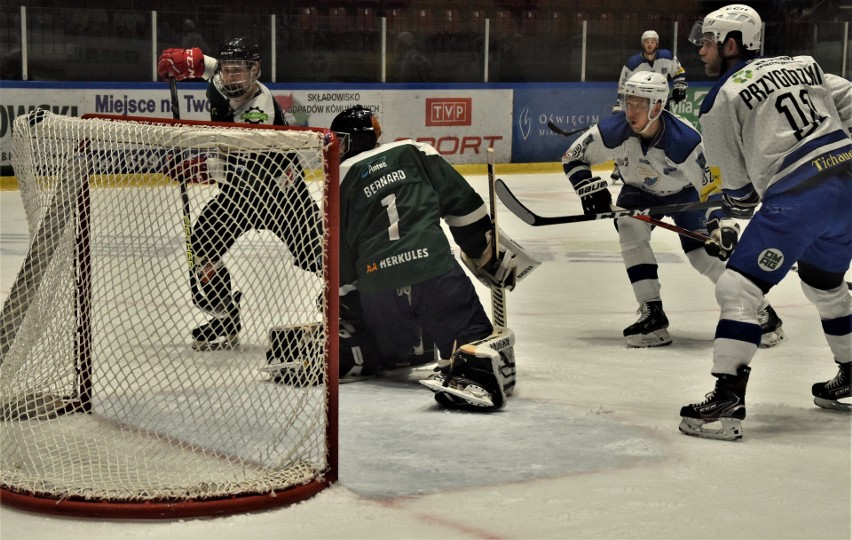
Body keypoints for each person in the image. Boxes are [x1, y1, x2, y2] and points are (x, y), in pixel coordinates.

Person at [679, 4, 852, 441]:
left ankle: (726, 398)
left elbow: (737, 193)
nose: (702, 50)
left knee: (738, 287)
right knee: (823, 284)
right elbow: (846, 100)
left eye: (708, 41)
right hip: (848, 184)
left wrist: (725, 218)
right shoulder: (806, 65)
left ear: (732, 44)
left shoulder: (721, 99)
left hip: (799, 198)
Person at [331, 105, 536, 410]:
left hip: (379, 291)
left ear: (350, 141)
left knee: (386, 342)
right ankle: (471, 369)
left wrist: (348, 310)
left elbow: (340, 260)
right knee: (475, 338)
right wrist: (485, 251)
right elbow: (463, 206)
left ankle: (361, 351)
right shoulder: (414, 151)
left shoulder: (339, 179)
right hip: (434, 274)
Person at [562, 71, 785, 349]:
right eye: (628, 102)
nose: (631, 110)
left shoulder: (684, 140)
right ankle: (652, 313)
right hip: (639, 192)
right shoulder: (612, 130)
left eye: (639, 104)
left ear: (657, 106)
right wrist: (585, 184)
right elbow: (573, 157)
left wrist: (718, 224)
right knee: (631, 228)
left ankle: (762, 310)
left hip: (686, 196)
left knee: (704, 257)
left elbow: (712, 187)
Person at [157, 37, 323, 351]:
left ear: (255, 71)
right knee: (204, 242)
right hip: (238, 198)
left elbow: (247, 168)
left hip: (281, 197)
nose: (232, 77)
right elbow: (213, 68)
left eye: (239, 71)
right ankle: (224, 314)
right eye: (228, 70)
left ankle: (346, 304)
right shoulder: (223, 80)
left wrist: (201, 169)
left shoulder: (259, 110)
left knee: (317, 256)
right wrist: (187, 60)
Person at [610, 30, 689, 184]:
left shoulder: (667, 57)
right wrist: (619, 107)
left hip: (661, 106)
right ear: (642, 43)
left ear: (657, 43)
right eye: (647, 41)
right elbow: (622, 88)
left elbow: (679, 71)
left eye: (652, 41)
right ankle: (619, 165)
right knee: (632, 138)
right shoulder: (633, 64)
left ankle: (666, 165)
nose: (650, 44)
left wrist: (680, 87)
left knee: (665, 135)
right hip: (640, 108)